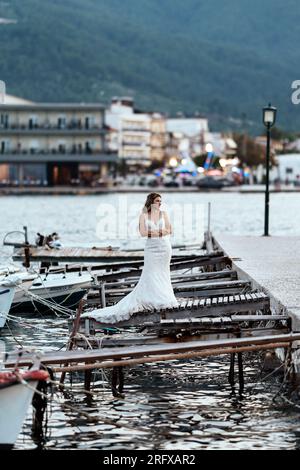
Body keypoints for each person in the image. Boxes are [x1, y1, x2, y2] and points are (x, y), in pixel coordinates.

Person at [82, 193, 179, 324]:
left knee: (163, 273)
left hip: (164, 248)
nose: (160, 203)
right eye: (157, 201)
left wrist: (155, 233)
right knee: (150, 273)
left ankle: (164, 298)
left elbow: (170, 230)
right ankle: (152, 298)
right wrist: (159, 233)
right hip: (151, 249)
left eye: (161, 201)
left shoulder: (164, 214)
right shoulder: (144, 216)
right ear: (151, 202)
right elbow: (143, 233)